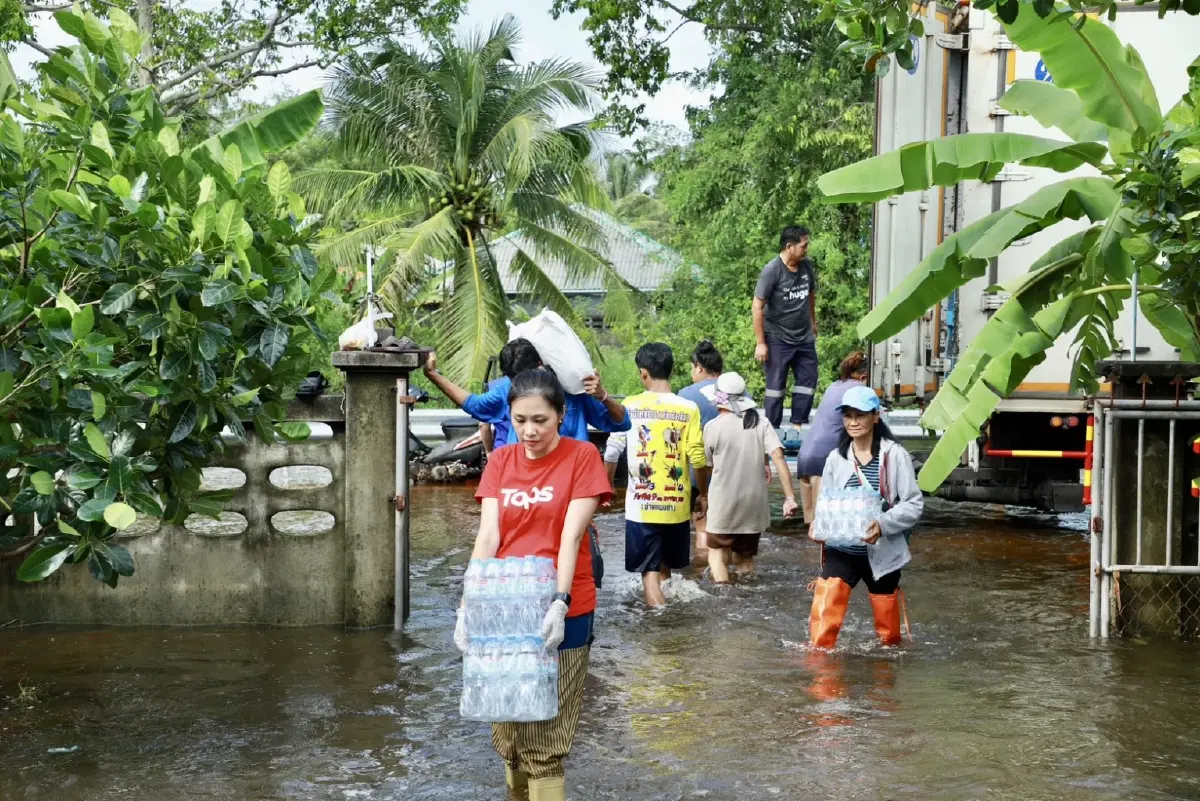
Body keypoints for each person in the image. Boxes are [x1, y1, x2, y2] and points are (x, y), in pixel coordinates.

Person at [455, 370, 612, 801]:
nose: (529, 431)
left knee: (544, 738)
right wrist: (468, 605)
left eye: (540, 420)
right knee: (507, 734)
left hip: (565, 607)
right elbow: (488, 537)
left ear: (561, 415)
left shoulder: (582, 458)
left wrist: (559, 602)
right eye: (520, 420)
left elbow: (570, 536)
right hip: (503, 609)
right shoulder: (502, 461)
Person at [808, 385, 923, 649]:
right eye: (848, 415)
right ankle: (821, 680)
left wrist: (882, 524)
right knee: (823, 625)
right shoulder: (836, 458)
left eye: (860, 415)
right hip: (842, 549)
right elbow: (826, 502)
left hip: (882, 552)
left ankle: (884, 684)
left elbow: (914, 504)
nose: (853, 422)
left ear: (876, 416)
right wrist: (818, 524)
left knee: (889, 638)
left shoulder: (894, 455)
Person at [604, 343, 708, 607]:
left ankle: (661, 628)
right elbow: (697, 456)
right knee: (665, 571)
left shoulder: (629, 406)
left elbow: (613, 451)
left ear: (643, 373)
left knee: (649, 574)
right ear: (670, 371)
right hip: (676, 504)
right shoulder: (688, 408)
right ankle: (668, 620)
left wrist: (606, 486)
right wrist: (703, 494)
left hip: (642, 506)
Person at [423, 339, 631, 448]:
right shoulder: (507, 388)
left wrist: (603, 396)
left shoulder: (573, 389)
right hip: (524, 478)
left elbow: (622, 423)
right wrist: (432, 375)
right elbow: (475, 405)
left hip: (568, 479)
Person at [700, 372, 799, 584]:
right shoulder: (761, 423)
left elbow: (710, 467)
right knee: (744, 560)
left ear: (718, 399)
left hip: (724, 504)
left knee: (716, 554)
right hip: (753, 506)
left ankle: (724, 597)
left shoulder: (712, 427)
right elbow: (779, 459)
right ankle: (747, 592)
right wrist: (789, 497)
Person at [753, 226, 819, 429]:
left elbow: (810, 295)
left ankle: (798, 425)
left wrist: (813, 321)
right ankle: (772, 430)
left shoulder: (806, 266)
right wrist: (761, 343)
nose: (807, 249)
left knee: (807, 380)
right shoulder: (772, 271)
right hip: (778, 338)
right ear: (789, 247)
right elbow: (757, 306)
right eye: (804, 245)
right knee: (775, 388)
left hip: (804, 337)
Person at [795, 350, 870, 523]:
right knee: (823, 527)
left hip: (805, 457)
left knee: (810, 525)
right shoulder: (859, 390)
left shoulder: (833, 386)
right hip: (824, 460)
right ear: (863, 376)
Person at [677, 340, 723, 565]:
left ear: (699, 367)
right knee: (727, 530)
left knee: (700, 523)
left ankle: (700, 569)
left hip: (697, 471)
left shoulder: (686, 394)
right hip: (730, 472)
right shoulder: (739, 390)